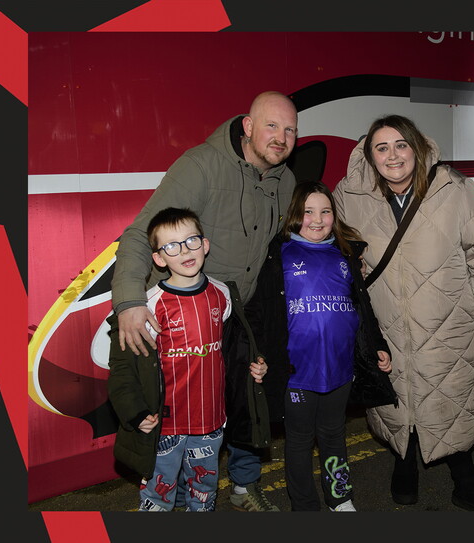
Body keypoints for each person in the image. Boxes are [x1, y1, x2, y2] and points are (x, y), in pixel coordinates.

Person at [109, 90, 299, 512]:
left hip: (237, 310)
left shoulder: (285, 181)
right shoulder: (201, 165)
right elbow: (140, 233)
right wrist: (129, 302)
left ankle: (244, 486)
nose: (281, 137)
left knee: (246, 398)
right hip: (183, 313)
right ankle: (169, 492)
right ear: (248, 126)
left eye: (290, 130)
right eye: (271, 126)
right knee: (175, 411)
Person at [332, 115, 474, 511]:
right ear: (370, 156)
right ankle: (404, 465)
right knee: (396, 399)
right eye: (382, 148)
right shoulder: (349, 195)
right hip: (385, 324)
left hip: (447, 321)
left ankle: (466, 482)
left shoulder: (453, 189)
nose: (393, 155)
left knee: (449, 400)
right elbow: (338, 252)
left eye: (401, 145)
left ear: (417, 148)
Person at [246, 181, 396, 512]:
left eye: (325, 211)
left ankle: (339, 497)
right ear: (294, 215)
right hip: (297, 372)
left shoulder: (345, 253)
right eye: (308, 212)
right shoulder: (278, 255)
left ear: (334, 215)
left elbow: (363, 307)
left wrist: (377, 345)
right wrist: (258, 354)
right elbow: (260, 313)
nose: (317, 220)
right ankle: (304, 505)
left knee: (333, 434)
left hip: (340, 369)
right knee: (299, 441)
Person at [107, 207, 266, 511]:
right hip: (164, 426)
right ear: (158, 259)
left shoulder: (222, 295)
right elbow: (124, 368)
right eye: (171, 246)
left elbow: (236, 347)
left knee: (203, 492)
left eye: (191, 241)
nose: (184, 251)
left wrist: (256, 364)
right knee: (158, 495)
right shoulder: (148, 306)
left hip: (210, 421)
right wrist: (135, 412)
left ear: (205, 245)